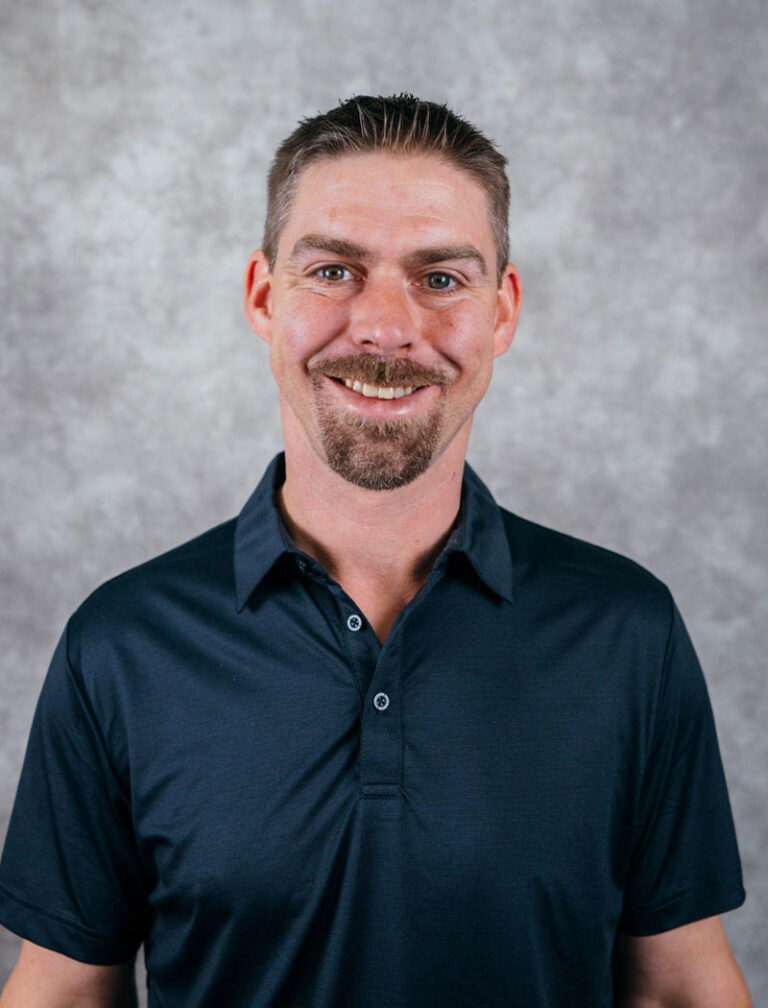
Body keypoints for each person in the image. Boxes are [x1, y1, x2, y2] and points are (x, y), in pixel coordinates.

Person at [0, 94, 751, 1008]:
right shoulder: (121, 645)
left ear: (502, 312)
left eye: (440, 278)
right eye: (333, 270)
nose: (386, 327)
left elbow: (678, 990)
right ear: (265, 298)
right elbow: (66, 995)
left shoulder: (628, 634)